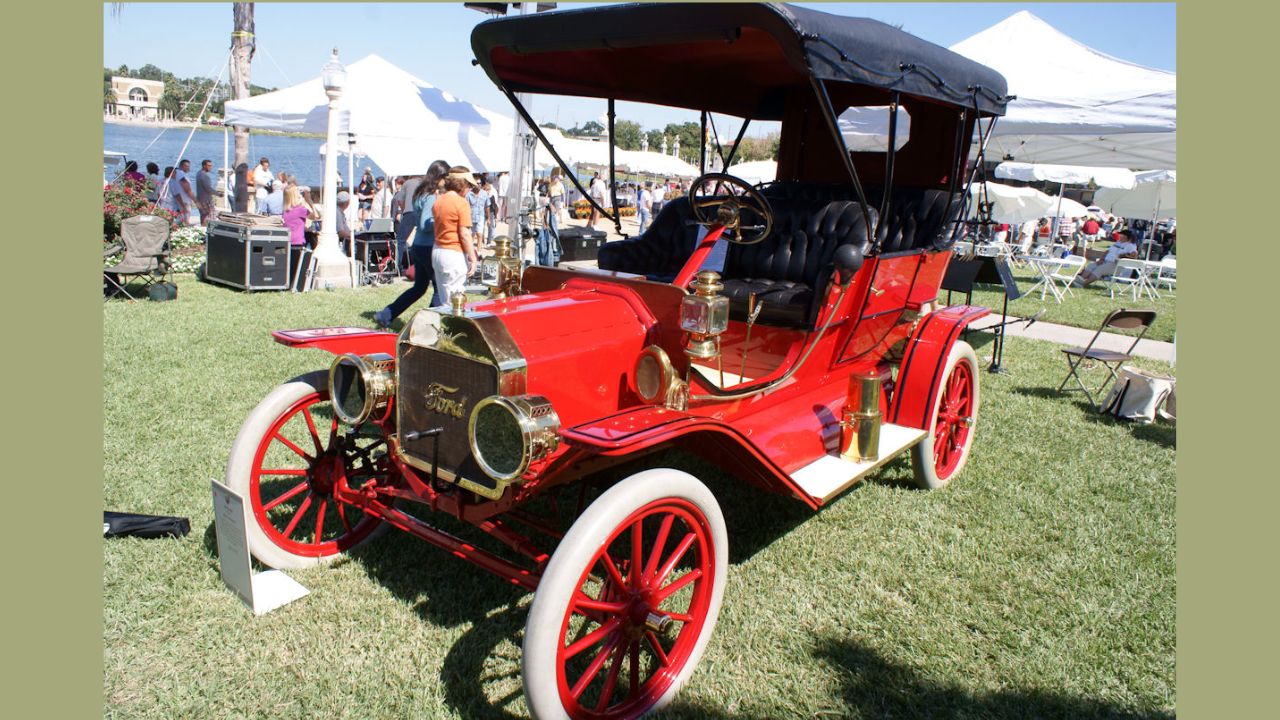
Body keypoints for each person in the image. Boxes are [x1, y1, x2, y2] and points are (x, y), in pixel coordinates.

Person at [373, 161, 451, 328]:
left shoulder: (420, 193)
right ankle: (427, 327)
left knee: (419, 289)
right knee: (439, 289)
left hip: (418, 245)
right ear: (440, 177)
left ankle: (386, 314)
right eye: (446, 177)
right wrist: (441, 221)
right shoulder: (430, 197)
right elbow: (424, 224)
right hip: (428, 247)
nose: (447, 181)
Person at [432, 166, 480, 307]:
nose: (469, 189)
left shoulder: (439, 201)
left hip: (438, 251)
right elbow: (465, 233)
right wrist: (473, 257)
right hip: (453, 254)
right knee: (456, 301)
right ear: (462, 184)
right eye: (469, 185)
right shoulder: (461, 203)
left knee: (444, 299)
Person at [1073, 229, 1139, 287]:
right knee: (1091, 265)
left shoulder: (1130, 245)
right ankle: (1079, 280)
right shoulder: (1118, 243)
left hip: (1116, 265)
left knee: (1099, 270)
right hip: (1105, 261)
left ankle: (1083, 284)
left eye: (1122, 236)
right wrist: (1101, 259)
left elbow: (1134, 255)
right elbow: (1107, 251)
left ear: (1127, 238)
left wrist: (1124, 255)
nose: (1120, 237)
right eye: (1120, 236)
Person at [195, 159, 217, 225]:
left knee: (203, 215)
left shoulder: (198, 173)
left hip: (201, 198)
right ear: (204, 166)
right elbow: (208, 188)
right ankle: (205, 229)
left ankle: (203, 228)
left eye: (211, 166)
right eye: (209, 165)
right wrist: (218, 193)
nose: (210, 167)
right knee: (208, 216)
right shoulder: (204, 175)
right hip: (206, 200)